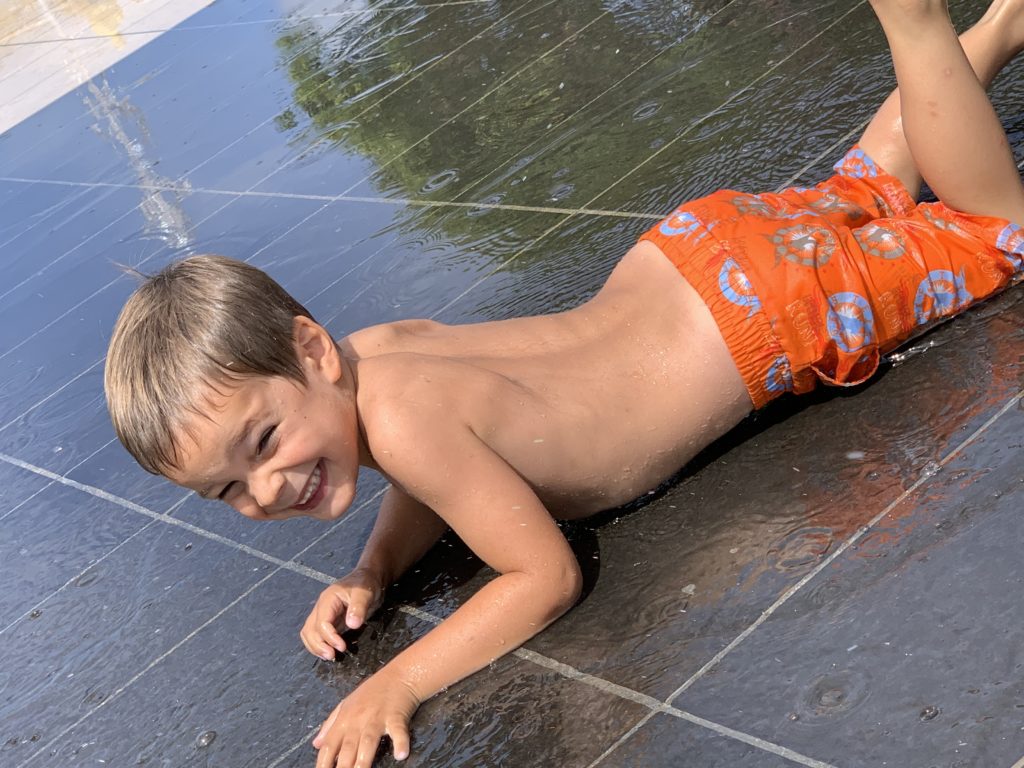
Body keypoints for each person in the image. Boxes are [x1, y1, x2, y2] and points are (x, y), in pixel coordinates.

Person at [103, 1, 1024, 766]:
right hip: (692, 258)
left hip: (775, 315)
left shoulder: (406, 425)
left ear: (311, 352)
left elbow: (543, 578)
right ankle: (1000, 27)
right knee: (860, 188)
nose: (267, 490)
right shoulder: (371, 356)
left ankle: (915, 23)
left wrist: (400, 682)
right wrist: (374, 569)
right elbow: (439, 473)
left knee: (994, 231)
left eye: (263, 443)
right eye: (228, 490)